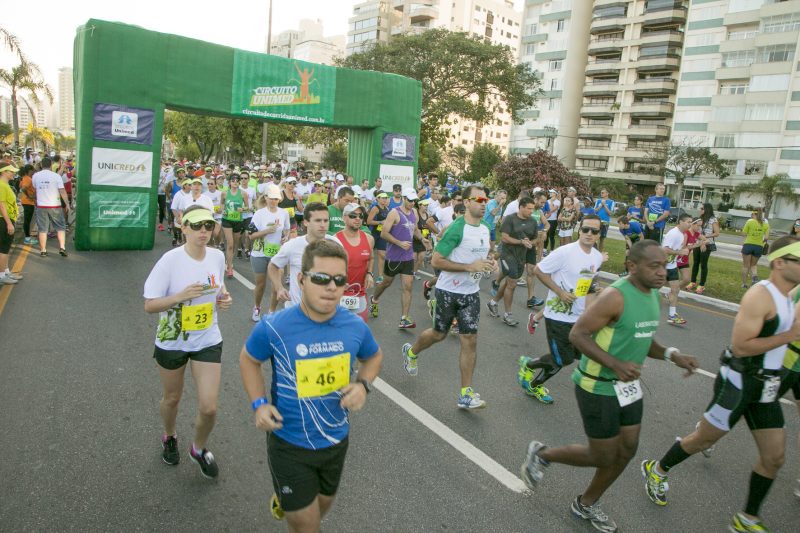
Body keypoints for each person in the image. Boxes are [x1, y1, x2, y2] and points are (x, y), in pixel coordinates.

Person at [520, 240, 699, 533]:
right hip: (597, 384)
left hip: (627, 387)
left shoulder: (652, 294)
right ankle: (542, 455)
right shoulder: (615, 297)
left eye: (664, 265)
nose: (661, 272)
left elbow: (642, 337)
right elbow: (578, 335)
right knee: (602, 454)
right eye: (653, 266)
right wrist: (615, 365)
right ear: (631, 266)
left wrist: (671, 355)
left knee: (627, 450)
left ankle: (586, 503)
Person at [641, 235, 800, 533]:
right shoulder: (760, 296)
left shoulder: (790, 296)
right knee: (704, 440)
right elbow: (741, 346)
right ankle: (657, 468)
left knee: (775, 457)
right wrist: (789, 336)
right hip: (739, 381)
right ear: (780, 263)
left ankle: (747, 518)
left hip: (765, 386)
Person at [239, 239, 383, 531]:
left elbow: (374, 356)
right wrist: (259, 404)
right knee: (308, 526)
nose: (331, 287)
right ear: (301, 280)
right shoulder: (274, 326)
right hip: (289, 443)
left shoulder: (354, 326)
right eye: (320, 278)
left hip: (335, 441)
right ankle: (290, 499)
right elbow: (248, 360)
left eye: (339, 280)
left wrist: (363, 385)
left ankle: (287, 500)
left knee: (322, 506)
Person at [143, 205, 233, 479]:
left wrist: (224, 298)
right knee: (172, 398)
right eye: (196, 226)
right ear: (183, 228)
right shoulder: (170, 260)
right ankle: (170, 436)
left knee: (209, 406)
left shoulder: (217, 256)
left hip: (207, 338)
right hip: (173, 340)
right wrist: (179, 296)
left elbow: (219, 288)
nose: (204, 231)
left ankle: (198, 448)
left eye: (208, 225)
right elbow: (150, 305)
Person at [402, 185, 495, 408]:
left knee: (470, 340)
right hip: (448, 292)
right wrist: (469, 267)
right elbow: (436, 261)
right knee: (438, 334)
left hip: (471, 294)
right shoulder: (456, 228)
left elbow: (482, 256)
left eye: (485, 199)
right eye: (478, 199)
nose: (483, 203)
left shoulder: (484, 228)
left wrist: (490, 263)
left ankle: (466, 394)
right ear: (466, 202)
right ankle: (412, 352)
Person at [516, 215, 605, 404]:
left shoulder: (596, 257)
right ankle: (532, 379)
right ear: (579, 230)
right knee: (561, 360)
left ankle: (530, 367)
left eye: (594, 231)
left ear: (599, 234)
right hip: (557, 316)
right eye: (586, 229)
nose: (589, 234)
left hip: (578, 317)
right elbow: (538, 270)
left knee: (572, 355)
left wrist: (593, 300)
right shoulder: (565, 252)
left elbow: (588, 283)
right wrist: (560, 292)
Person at [370, 189, 428, 329]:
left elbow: (414, 230)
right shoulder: (394, 213)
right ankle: (375, 299)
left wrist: (422, 238)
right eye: (409, 200)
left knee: (408, 286)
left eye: (414, 201)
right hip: (393, 256)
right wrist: (399, 243)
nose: (412, 203)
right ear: (403, 198)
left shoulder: (414, 212)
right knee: (386, 283)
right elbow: (384, 233)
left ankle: (404, 319)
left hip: (408, 256)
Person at [268, 202, 340, 309]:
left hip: (326, 311)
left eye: (326, 220)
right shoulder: (293, 245)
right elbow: (273, 266)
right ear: (306, 222)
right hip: (297, 311)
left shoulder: (336, 244)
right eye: (318, 220)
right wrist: (279, 288)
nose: (322, 224)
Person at [487, 197, 538, 327]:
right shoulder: (510, 219)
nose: (531, 211)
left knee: (511, 281)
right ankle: (508, 315)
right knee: (512, 283)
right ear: (521, 207)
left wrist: (530, 243)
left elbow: (535, 239)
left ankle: (493, 302)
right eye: (529, 208)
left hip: (521, 256)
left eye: (533, 209)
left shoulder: (532, 221)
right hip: (507, 254)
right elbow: (504, 238)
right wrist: (521, 242)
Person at [248, 186, 291, 321]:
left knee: (276, 286)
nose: (274, 201)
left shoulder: (284, 213)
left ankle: (272, 312)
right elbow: (251, 236)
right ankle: (257, 307)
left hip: (277, 255)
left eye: (276, 199)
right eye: (271, 198)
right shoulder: (259, 214)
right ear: (265, 198)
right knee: (261, 285)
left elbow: (287, 230)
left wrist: (285, 237)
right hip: (259, 253)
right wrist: (267, 231)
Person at [334, 203, 375, 322]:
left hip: (359, 294)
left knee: (360, 330)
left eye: (360, 216)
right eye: (353, 215)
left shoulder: (369, 239)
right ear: (344, 218)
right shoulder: (335, 241)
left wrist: (370, 273)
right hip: (338, 294)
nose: (357, 219)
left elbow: (371, 258)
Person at [32, 156, 70, 257]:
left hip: (41, 206)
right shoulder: (56, 176)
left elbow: (35, 189)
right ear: (51, 165)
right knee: (60, 227)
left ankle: (43, 250)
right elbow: (62, 191)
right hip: (55, 206)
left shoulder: (36, 176)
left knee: (42, 229)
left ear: (41, 165)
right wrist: (67, 203)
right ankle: (62, 247)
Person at [662, 213, 691, 325]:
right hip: (662, 265)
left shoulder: (682, 234)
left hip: (672, 265)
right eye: (688, 222)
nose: (690, 224)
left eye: (690, 222)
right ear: (680, 222)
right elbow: (665, 249)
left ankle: (672, 315)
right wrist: (680, 252)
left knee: (675, 289)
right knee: (652, 290)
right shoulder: (673, 233)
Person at [687, 203, 720, 295]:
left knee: (703, 264)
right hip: (698, 243)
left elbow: (717, 233)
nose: (700, 210)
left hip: (707, 243)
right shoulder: (700, 219)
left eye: (702, 208)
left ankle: (701, 285)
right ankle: (693, 282)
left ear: (707, 209)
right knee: (696, 263)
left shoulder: (713, 219)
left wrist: (705, 236)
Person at [220, 173, 248, 278]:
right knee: (230, 244)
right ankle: (230, 267)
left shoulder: (243, 194)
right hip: (227, 220)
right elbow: (222, 203)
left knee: (235, 244)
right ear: (230, 182)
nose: (235, 182)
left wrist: (243, 209)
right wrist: (223, 210)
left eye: (237, 181)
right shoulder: (224, 193)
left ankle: (230, 259)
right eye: (233, 180)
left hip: (238, 221)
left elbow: (248, 207)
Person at [0, 163, 23, 285]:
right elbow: (1, 205)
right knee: (3, 249)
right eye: (11, 171)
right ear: (4, 172)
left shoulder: (5, 185)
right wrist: (9, 223)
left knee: (6, 247)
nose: (13, 173)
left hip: (8, 219)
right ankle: (2, 275)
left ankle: (6, 271)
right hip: (4, 220)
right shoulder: (2, 186)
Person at [741, 208, 769, 289]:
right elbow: (766, 237)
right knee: (753, 265)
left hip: (748, 244)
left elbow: (743, 233)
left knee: (746, 266)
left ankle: (744, 284)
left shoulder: (749, 222)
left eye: (752, 214)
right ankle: (754, 278)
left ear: (754, 214)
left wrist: (747, 238)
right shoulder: (765, 224)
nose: (751, 216)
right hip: (758, 246)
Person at [366, 191, 390, 283]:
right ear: (378, 199)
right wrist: (380, 222)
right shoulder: (375, 208)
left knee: (382, 255)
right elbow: (368, 221)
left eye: (386, 198)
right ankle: (369, 273)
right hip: (373, 234)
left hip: (381, 234)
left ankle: (380, 276)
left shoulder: (387, 209)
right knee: (369, 255)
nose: (385, 199)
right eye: (383, 198)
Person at [17, 164, 37, 246]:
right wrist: (29, 196)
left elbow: (20, 186)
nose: (34, 172)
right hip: (28, 202)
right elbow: (23, 188)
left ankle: (27, 237)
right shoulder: (28, 179)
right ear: (30, 171)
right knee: (27, 220)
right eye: (33, 170)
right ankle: (27, 238)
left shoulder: (24, 178)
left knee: (27, 220)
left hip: (25, 201)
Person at [483, 189, 506, 253]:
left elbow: (497, 216)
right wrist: (499, 205)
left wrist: (501, 223)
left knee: (492, 247)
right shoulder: (492, 202)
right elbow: (493, 213)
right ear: (497, 196)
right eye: (502, 198)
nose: (503, 200)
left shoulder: (500, 205)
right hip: (485, 227)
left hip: (492, 228)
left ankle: (488, 258)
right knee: (485, 247)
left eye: (504, 198)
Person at [593, 188, 615, 253]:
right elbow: (594, 211)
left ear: (607, 193)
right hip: (597, 221)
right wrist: (601, 205)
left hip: (605, 222)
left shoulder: (611, 202)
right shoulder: (598, 201)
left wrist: (604, 205)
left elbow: (610, 213)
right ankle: (594, 252)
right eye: (601, 192)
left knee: (602, 239)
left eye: (603, 192)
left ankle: (600, 253)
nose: (601, 194)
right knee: (595, 237)